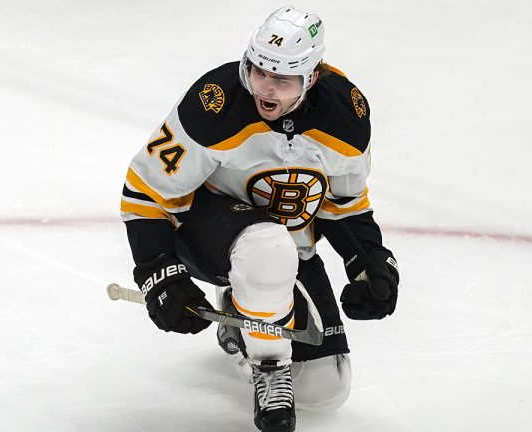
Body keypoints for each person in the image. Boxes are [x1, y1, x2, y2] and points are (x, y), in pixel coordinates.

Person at [120, 6, 400, 432]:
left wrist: (370, 262)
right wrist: (160, 272)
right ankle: (270, 365)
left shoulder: (346, 116)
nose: (265, 89)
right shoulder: (215, 102)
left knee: (324, 392)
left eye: (283, 79)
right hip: (206, 235)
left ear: (313, 76)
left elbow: (343, 204)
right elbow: (146, 192)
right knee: (269, 246)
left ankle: (247, 303)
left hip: (289, 251)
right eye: (258, 71)